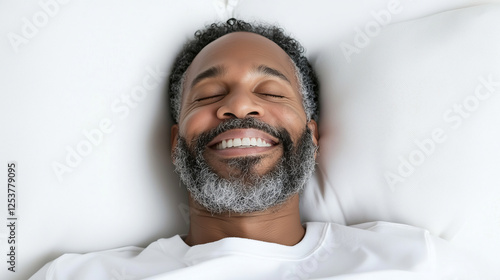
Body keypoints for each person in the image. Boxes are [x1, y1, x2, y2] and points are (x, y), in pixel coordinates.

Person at [30, 18, 487, 280]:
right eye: (209, 96)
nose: (239, 105)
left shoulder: (416, 263)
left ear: (310, 136)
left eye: (270, 91)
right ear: (176, 144)